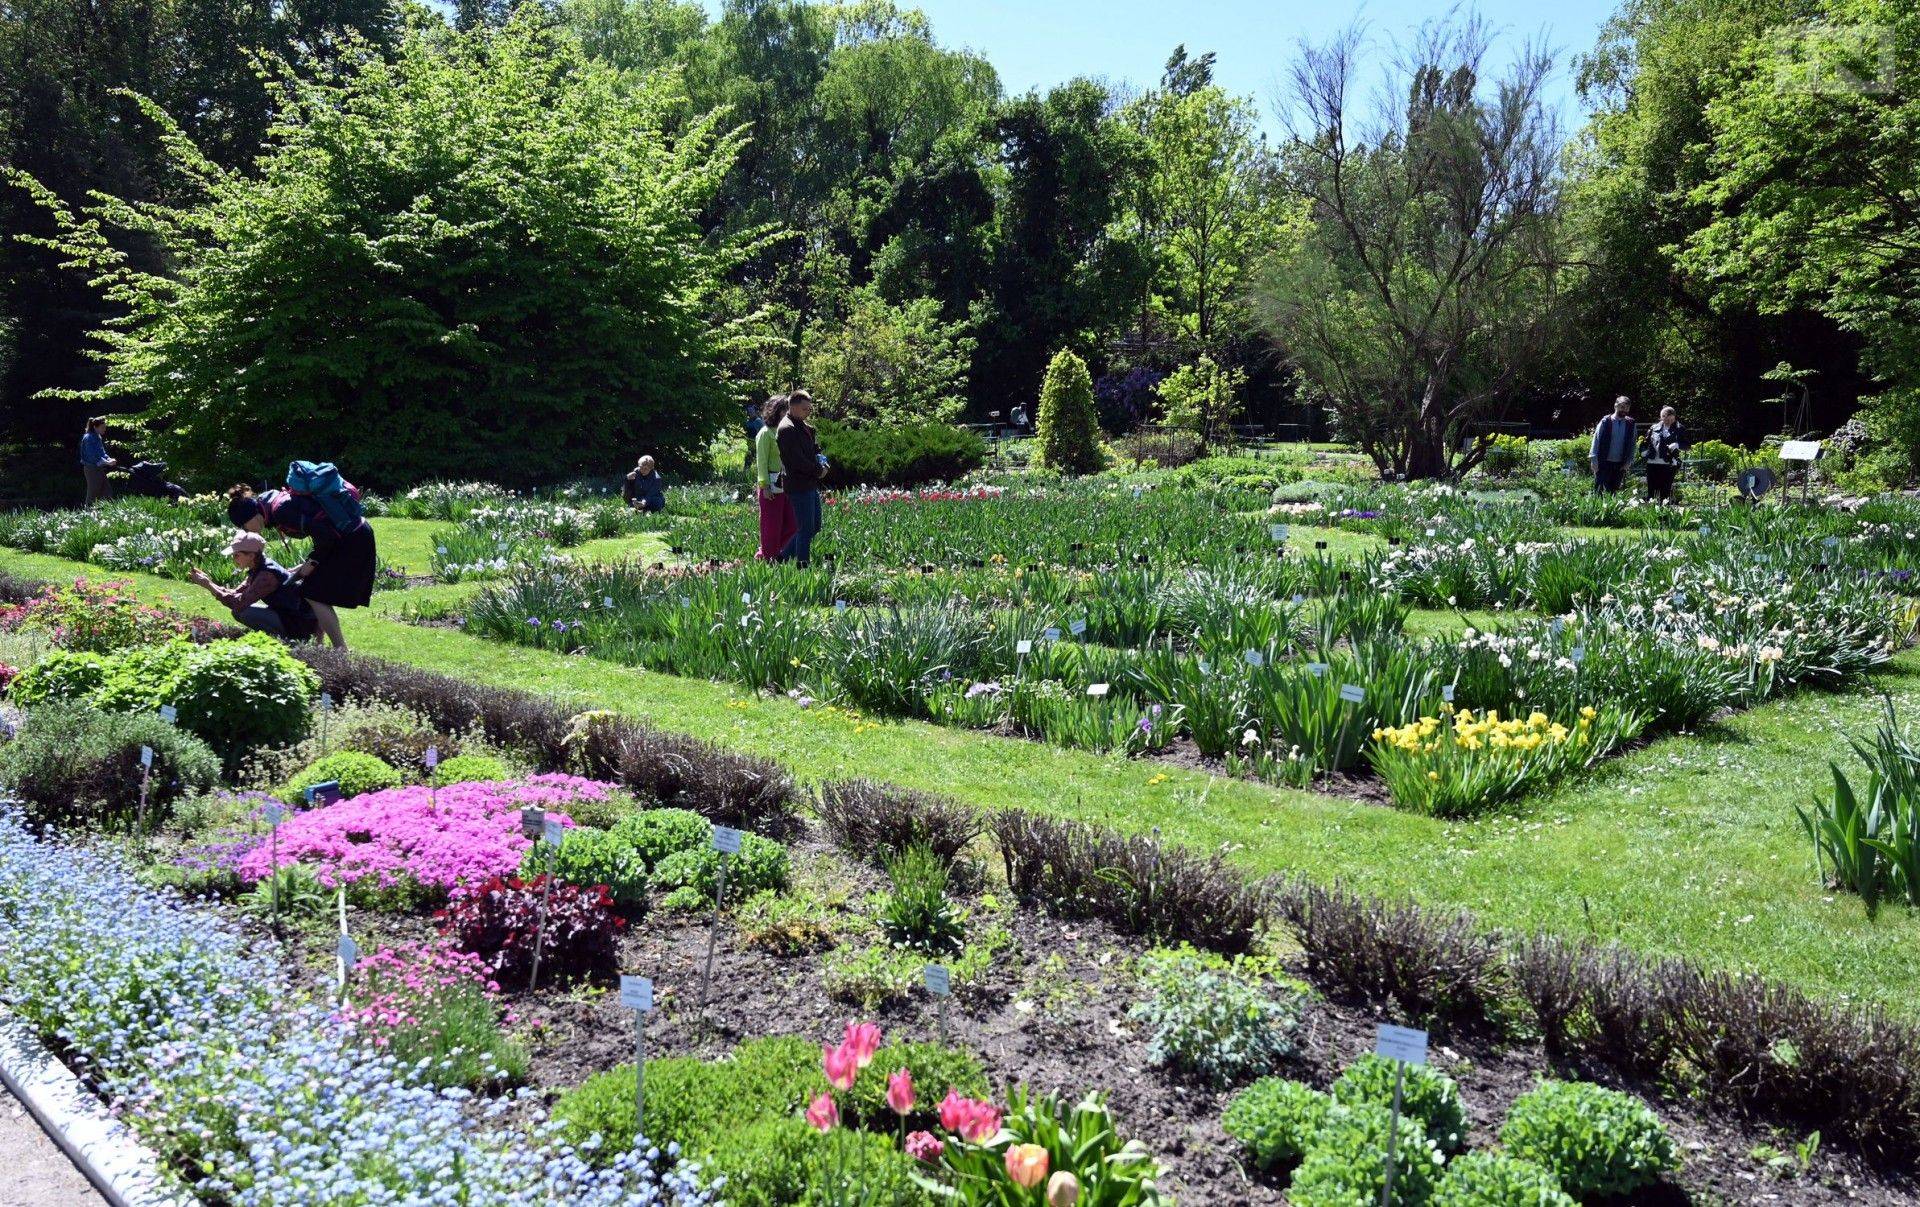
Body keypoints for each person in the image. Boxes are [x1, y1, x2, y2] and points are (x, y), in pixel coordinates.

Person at [227, 481, 376, 648]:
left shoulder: (280, 511)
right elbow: (322, 531)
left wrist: (312, 563)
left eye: (243, 526)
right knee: (314, 591)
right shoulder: (269, 504)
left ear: (250, 516)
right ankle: (320, 646)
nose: (246, 531)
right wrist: (305, 566)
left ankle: (340, 650)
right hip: (350, 533)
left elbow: (326, 535)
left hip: (352, 538)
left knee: (313, 594)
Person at [186, 532, 317, 641]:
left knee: (243, 612)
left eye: (237, 555)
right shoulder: (258, 567)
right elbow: (235, 593)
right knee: (240, 612)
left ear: (251, 555)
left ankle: (287, 640)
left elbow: (239, 603)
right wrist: (208, 582)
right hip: (286, 615)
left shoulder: (266, 575)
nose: (233, 559)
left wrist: (208, 585)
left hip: (298, 623)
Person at [775, 389, 826, 566]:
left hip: (809, 483)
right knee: (805, 529)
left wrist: (822, 461)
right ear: (793, 407)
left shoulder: (802, 425)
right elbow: (797, 461)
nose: (808, 412)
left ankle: (782, 558)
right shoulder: (787, 429)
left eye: (810, 409)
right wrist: (818, 471)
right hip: (798, 485)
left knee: (815, 527)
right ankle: (803, 567)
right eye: (805, 409)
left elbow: (814, 449)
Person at [754, 393, 798, 560]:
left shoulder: (787, 431)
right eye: (785, 410)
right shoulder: (766, 433)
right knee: (772, 525)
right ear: (776, 411)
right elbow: (762, 461)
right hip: (771, 486)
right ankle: (768, 557)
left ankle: (772, 552)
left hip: (787, 484)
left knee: (793, 524)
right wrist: (764, 486)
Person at [1642, 405, 1689, 504]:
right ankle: (1651, 516)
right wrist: (1643, 452)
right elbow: (1644, 443)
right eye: (1665, 418)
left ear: (1674, 417)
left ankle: (1663, 517)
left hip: (1668, 464)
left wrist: (1677, 445)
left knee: (1665, 493)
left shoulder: (1679, 428)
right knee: (1651, 492)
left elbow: (1687, 446)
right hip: (1652, 463)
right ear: (1661, 417)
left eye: (1671, 419)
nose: (1668, 421)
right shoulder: (1654, 428)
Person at [1589, 396, 1636, 493]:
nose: (1624, 410)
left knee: (1613, 492)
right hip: (1603, 462)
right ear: (1615, 406)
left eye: (1627, 408)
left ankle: (1611, 509)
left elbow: (1632, 444)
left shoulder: (1631, 424)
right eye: (1622, 407)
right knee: (1599, 491)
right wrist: (1594, 460)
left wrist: (1629, 461)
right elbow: (1596, 440)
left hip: (1620, 464)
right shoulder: (1605, 421)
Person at [79, 417, 116, 506]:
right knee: (93, 492)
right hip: (91, 469)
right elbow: (92, 457)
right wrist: (107, 462)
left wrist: (109, 459)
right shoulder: (88, 438)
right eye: (102, 427)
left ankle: (107, 511)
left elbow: (102, 453)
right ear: (95, 427)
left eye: (105, 427)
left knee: (107, 491)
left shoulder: (97, 436)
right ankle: (88, 513)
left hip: (99, 468)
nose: (105, 429)